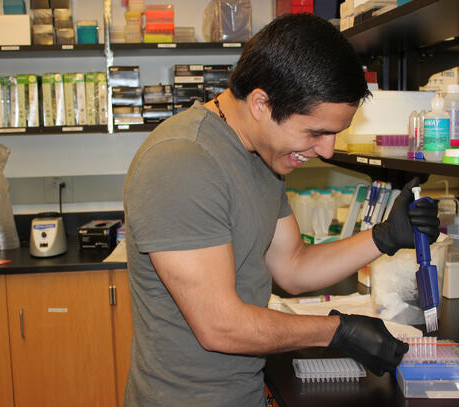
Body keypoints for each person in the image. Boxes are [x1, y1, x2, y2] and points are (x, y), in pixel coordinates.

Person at [123, 13, 439, 407]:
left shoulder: (263, 155)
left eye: (334, 133)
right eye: (315, 132)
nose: (326, 150)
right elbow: (220, 326)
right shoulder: (182, 163)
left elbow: (293, 265)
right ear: (260, 103)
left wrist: (383, 237)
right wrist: (336, 331)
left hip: (245, 393)